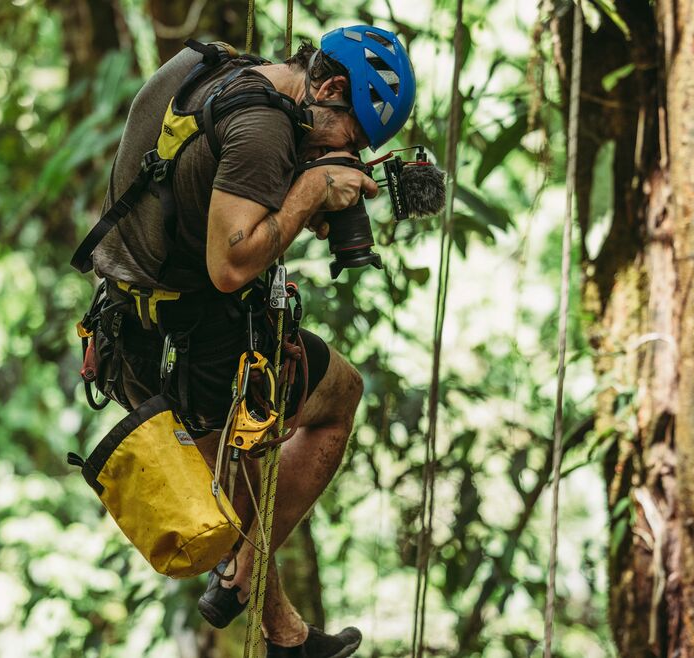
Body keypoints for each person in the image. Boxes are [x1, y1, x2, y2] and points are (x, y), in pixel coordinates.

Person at [88, 25, 415, 657]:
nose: (342, 154)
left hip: (131, 322)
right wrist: (312, 192)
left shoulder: (228, 72)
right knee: (233, 497)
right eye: (350, 138)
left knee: (338, 391)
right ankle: (275, 621)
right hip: (189, 347)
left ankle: (259, 600)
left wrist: (309, 190)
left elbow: (200, 184)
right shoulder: (265, 130)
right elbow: (231, 265)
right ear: (331, 87)